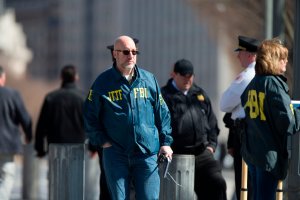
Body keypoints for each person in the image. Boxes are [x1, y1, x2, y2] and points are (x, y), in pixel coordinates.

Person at [84, 35, 173, 200]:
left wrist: (166, 143)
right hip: (116, 153)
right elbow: (89, 115)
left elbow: (162, 112)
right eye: (125, 52)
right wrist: (103, 141)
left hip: (146, 153)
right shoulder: (103, 82)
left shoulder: (148, 80)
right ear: (115, 54)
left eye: (134, 52)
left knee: (149, 198)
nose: (131, 56)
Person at [240, 38, 300, 200]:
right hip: (268, 154)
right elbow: (288, 123)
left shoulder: (254, 83)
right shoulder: (273, 84)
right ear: (273, 60)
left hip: (253, 152)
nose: (286, 61)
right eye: (282, 58)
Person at [161, 59, 227, 200]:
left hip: (201, 153)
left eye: (190, 76)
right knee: (179, 196)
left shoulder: (199, 95)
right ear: (174, 75)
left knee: (217, 184)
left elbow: (212, 123)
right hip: (176, 155)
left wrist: (211, 146)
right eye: (183, 76)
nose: (187, 80)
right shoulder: (164, 96)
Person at [220, 35, 259, 200]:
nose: (237, 56)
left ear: (250, 55)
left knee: (244, 184)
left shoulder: (247, 76)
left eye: (240, 52)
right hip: (256, 136)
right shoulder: (264, 75)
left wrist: (235, 106)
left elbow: (224, 103)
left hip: (243, 135)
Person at [34, 65, 86, 156]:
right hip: (78, 147)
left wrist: (40, 149)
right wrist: (93, 147)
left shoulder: (50, 98)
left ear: (61, 77)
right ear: (76, 77)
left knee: (56, 170)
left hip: (55, 147)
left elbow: (41, 126)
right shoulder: (83, 98)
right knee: (76, 170)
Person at [0, 66, 32, 200]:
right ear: (3, 77)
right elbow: (25, 118)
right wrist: (29, 136)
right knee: (7, 177)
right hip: (8, 144)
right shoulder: (13, 94)